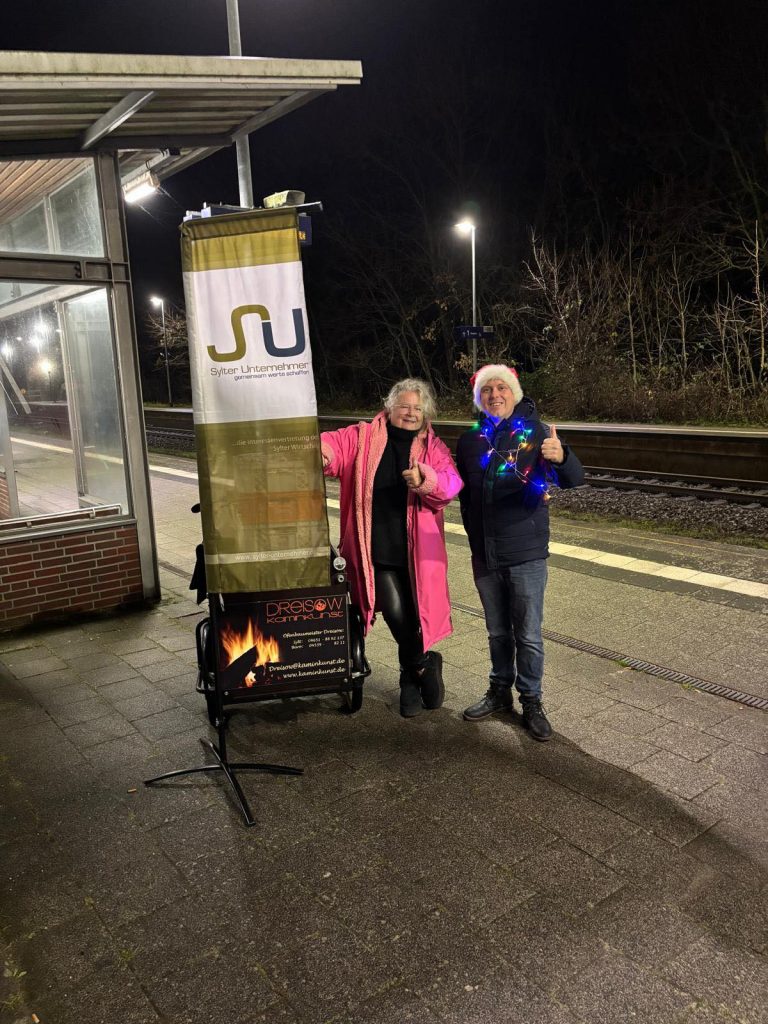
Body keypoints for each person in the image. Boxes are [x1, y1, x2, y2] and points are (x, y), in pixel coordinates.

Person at [456, 364, 584, 740]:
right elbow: (456, 487)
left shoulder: (538, 434)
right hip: (484, 553)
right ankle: (499, 692)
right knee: (497, 632)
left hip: (525, 552)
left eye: (502, 388)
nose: (495, 394)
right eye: (487, 390)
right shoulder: (470, 441)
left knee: (527, 635)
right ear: (479, 398)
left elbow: (574, 479)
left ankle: (531, 699)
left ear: (514, 392)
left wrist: (562, 457)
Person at [321, 379, 463, 717]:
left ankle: (409, 681)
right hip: (376, 550)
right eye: (404, 406)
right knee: (396, 614)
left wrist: (425, 479)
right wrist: (321, 452)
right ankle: (423, 664)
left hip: (418, 555)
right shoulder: (363, 436)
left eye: (417, 408)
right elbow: (331, 446)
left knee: (415, 618)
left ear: (425, 413)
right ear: (390, 408)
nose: (411, 413)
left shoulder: (433, 448)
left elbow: (451, 484)